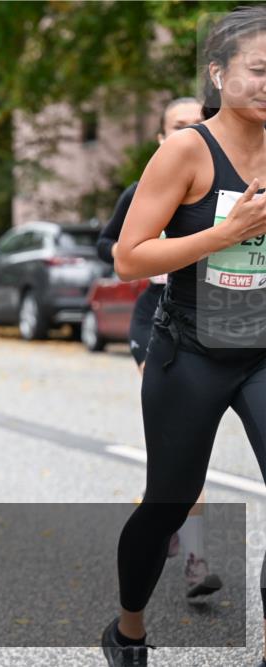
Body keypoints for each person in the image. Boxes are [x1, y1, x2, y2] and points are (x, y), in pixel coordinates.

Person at [102, 7, 266, 666]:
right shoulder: (187, 150)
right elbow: (129, 256)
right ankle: (128, 628)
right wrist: (225, 234)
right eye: (259, 69)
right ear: (219, 73)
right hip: (191, 351)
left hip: (262, 351)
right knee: (168, 502)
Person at [98, 97, 224, 602]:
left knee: (186, 462)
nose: (190, 132)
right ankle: (194, 559)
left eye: (198, 123)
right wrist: (154, 253)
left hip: (222, 315)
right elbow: (111, 248)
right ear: (160, 138)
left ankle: (180, 535)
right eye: (179, 126)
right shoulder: (143, 187)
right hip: (160, 315)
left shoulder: (229, 182)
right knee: (183, 445)